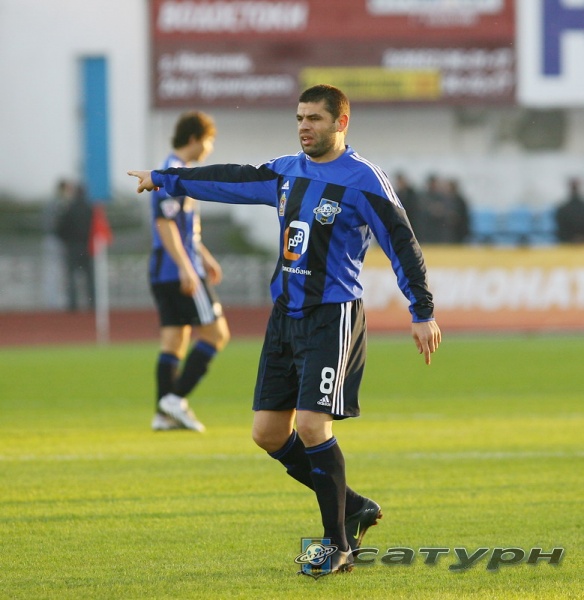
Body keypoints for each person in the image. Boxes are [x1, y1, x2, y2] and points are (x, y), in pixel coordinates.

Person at [129, 85, 441, 575]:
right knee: (268, 434)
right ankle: (354, 506)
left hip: (332, 315)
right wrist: (167, 180)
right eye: (299, 118)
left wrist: (421, 310)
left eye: (314, 118)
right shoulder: (286, 171)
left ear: (341, 122)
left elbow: (402, 243)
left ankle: (337, 546)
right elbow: (232, 179)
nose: (304, 127)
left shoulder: (365, 180)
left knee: (313, 426)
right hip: (284, 317)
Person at [148, 110, 231, 433]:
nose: (210, 148)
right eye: (209, 141)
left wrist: (205, 256)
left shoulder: (177, 171)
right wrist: (187, 267)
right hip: (178, 270)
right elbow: (165, 224)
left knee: (174, 341)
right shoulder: (173, 172)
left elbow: (183, 230)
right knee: (217, 334)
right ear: (195, 138)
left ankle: (162, 415)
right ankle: (174, 399)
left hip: (163, 270)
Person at [54, 180, 95, 311]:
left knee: (71, 276)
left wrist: (66, 240)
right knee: (90, 277)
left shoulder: (69, 208)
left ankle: (73, 305)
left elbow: (60, 228)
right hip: (87, 246)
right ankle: (92, 304)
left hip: (72, 246)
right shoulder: (90, 209)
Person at [555, 178, 584, 243]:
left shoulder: (562, 209)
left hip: (569, 242)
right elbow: (561, 228)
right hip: (569, 242)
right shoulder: (562, 209)